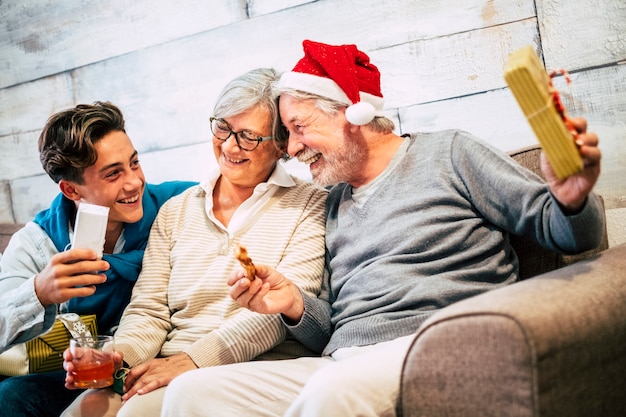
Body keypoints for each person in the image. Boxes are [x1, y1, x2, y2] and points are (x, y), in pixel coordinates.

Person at [159, 40, 605, 417]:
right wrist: (294, 304)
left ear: (350, 114)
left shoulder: (449, 153)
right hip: (341, 360)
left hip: (433, 342)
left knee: (332, 393)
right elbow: (332, 327)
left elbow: (573, 236)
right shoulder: (332, 201)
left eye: (298, 128)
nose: (291, 149)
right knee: (191, 393)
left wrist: (572, 200)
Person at [60, 67, 327, 417]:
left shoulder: (310, 204)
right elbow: (149, 310)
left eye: (248, 136)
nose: (230, 146)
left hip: (249, 371)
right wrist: (116, 356)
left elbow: (280, 314)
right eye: (222, 127)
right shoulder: (176, 210)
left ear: (280, 146)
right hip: (169, 367)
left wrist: (191, 361)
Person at [0, 101, 195, 415]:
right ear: (71, 190)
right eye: (113, 174)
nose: (134, 182)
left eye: (134, 163)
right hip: (81, 370)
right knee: (13, 396)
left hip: (158, 356)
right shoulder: (37, 243)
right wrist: (38, 292)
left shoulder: (177, 204)